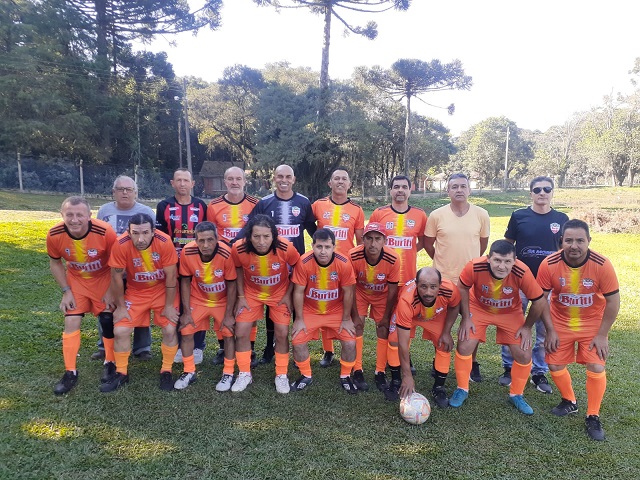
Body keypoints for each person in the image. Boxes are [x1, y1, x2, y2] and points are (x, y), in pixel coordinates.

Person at [449, 240, 554, 415]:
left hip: (509, 312)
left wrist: (527, 327)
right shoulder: (474, 266)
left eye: (507, 261)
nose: (502, 266)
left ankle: (516, 394)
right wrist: (466, 318)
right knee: (465, 344)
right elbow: (462, 288)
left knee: (524, 353)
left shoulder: (522, 271)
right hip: (479, 308)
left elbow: (539, 300)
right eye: (497, 260)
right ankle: (462, 388)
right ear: (488, 258)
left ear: (515, 261)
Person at [537, 219, 620, 441]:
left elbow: (613, 302)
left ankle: (593, 415)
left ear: (589, 241)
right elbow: (541, 300)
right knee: (554, 363)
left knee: (596, 364)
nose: (574, 245)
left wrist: (602, 334)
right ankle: (569, 400)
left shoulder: (602, 264)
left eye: (580, 240)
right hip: (560, 322)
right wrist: (550, 330)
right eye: (569, 240)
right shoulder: (548, 263)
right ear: (561, 241)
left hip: (592, 323)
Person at [499, 176, 569, 393]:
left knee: (543, 330)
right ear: (530, 193)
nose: (542, 193)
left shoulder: (561, 218)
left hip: (548, 285)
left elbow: (565, 251)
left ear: (552, 192)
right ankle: (509, 368)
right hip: (519, 282)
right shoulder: (519, 216)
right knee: (513, 325)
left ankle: (538, 372)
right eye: (537, 189)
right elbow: (507, 247)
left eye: (547, 189)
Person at [244, 164, 316, 364]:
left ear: (293, 179)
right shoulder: (264, 203)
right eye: (280, 176)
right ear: (274, 178)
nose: (284, 180)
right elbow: (249, 229)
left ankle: (297, 347)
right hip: (271, 265)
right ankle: (270, 347)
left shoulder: (303, 202)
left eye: (288, 176)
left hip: (296, 263)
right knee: (273, 305)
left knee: (296, 304)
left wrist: (323, 252)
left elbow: (312, 230)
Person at [101, 213, 180, 392]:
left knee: (169, 329)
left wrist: (169, 306)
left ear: (153, 231)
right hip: (136, 292)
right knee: (120, 330)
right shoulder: (121, 244)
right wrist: (121, 307)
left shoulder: (164, 241)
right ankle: (121, 372)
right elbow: (116, 277)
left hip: (161, 291)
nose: (140, 239)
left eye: (145, 232)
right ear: (128, 232)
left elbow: (171, 276)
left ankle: (166, 370)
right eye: (135, 233)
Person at [47, 196, 117, 394]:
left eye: (80, 215)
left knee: (107, 319)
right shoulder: (54, 234)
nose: (74, 219)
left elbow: (117, 262)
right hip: (76, 281)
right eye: (69, 214)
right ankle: (70, 372)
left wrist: (111, 290)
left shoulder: (105, 231)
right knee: (71, 321)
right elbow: (55, 263)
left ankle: (110, 362)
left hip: (103, 279)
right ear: (62, 215)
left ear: (89, 215)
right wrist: (66, 291)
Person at [424, 172, 490, 382]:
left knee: (472, 323)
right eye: (454, 187)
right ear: (448, 190)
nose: (459, 190)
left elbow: (482, 245)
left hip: (471, 282)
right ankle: (439, 360)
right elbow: (428, 244)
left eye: (463, 186)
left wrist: (471, 266)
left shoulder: (481, 214)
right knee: (440, 324)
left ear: (469, 190)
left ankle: (472, 363)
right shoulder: (437, 215)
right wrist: (442, 261)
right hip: (443, 280)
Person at [231, 214, 300, 393]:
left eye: (266, 236)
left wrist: (288, 294)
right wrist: (241, 296)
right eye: (256, 236)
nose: (261, 242)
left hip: (279, 293)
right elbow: (238, 268)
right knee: (241, 331)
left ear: (273, 235)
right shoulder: (239, 248)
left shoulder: (285, 247)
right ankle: (244, 373)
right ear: (249, 236)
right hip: (251, 293)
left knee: (282, 333)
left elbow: (298, 267)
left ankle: (281, 374)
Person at [93, 175, 155, 361]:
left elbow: (152, 241)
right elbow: (98, 239)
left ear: (136, 192)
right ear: (114, 192)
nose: (125, 193)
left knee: (141, 307)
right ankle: (105, 346)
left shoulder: (146, 212)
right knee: (107, 306)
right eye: (121, 189)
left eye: (129, 189)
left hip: (138, 270)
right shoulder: (104, 211)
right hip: (111, 269)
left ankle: (142, 347)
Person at [290, 228, 358, 393]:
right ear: (312, 246)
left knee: (350, 342)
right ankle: (305, 375)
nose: (323, 251)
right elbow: (298, 292)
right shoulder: (303, 262)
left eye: (327, 247)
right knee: (297, 341)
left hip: (335, 310)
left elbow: (349, 292)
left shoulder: (343, 262)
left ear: (334, 247)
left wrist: (346, 318)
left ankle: (345, 376)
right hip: (310, 310)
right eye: (319, 246)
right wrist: (299, 319)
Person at [175, 222, 237, 391]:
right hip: (199, 298)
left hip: (221, 300)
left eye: (210, 240)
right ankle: (189, 371)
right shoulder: (187, 252)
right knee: (186, 329)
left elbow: (232, 285)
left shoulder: (226, 253)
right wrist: (186, 312)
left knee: (228, 332)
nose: (206, 245)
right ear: (195, 240)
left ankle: (228, 372)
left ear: (217, 239)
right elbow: (185, 281)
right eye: (201, 240)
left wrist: (229, 314)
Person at [387, 267, 461, 408]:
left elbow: (454, 306)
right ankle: (396, 381)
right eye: (423, 287)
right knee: (394, 340)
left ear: (440, 285)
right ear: (416, 284)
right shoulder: (406, 301)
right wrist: (407, 376)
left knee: (443, 344)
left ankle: (439, 388)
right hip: (411, 315)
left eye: (433, 287)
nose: (428, 292)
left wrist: (446, 332)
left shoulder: (450, 289)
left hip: (435, 315)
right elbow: (403, 343)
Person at [312, 168, 365, 367]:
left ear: (349, 184)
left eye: (344, 179)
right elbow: (308, 225)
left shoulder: (357, 210)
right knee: (325, 306)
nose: (340, 182)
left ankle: (347, 347)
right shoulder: (318, 205)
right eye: (336, 178)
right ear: (330, 183)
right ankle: (328, 351)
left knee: (346, 307)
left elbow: (360, 242)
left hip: (346, 268)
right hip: (322, 266)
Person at [206, 166, 258, 366]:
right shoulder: (213, 206)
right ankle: (223, 346)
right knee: (222, 302)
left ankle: (250, 347)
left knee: (248, 303)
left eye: (238, 179)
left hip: (247, 261)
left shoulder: (255, 204)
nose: (235, 182)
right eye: (230, 179)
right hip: (223, 261)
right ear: (225, 181)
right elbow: (211, 236)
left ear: (245, 181)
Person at [156, 168, 208, 365]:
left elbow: (207, 235)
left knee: (198, 301)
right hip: (172, 264)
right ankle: (178, 344)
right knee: (178, 302)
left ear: (192, 183)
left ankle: (198, 346)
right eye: (178, 180)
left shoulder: (201, 205)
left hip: (197, 263)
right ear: (172, 183)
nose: (182, 184)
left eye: (186, 180)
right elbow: (160, 237)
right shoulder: (164, 206)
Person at [348, 222, 400, 392]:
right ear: (362, 239)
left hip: (382, 295)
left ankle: (380, 371)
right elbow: (351, 287)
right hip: (360, 292)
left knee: (383, 329)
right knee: (357, 326)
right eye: (369, 238)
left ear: (385, 241)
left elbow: (392, 291)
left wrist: (386, 316)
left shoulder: (393, 258)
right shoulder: (353, 255)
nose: (373, 243)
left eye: (378, 239)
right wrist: (355, 314)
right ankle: (357, 369)